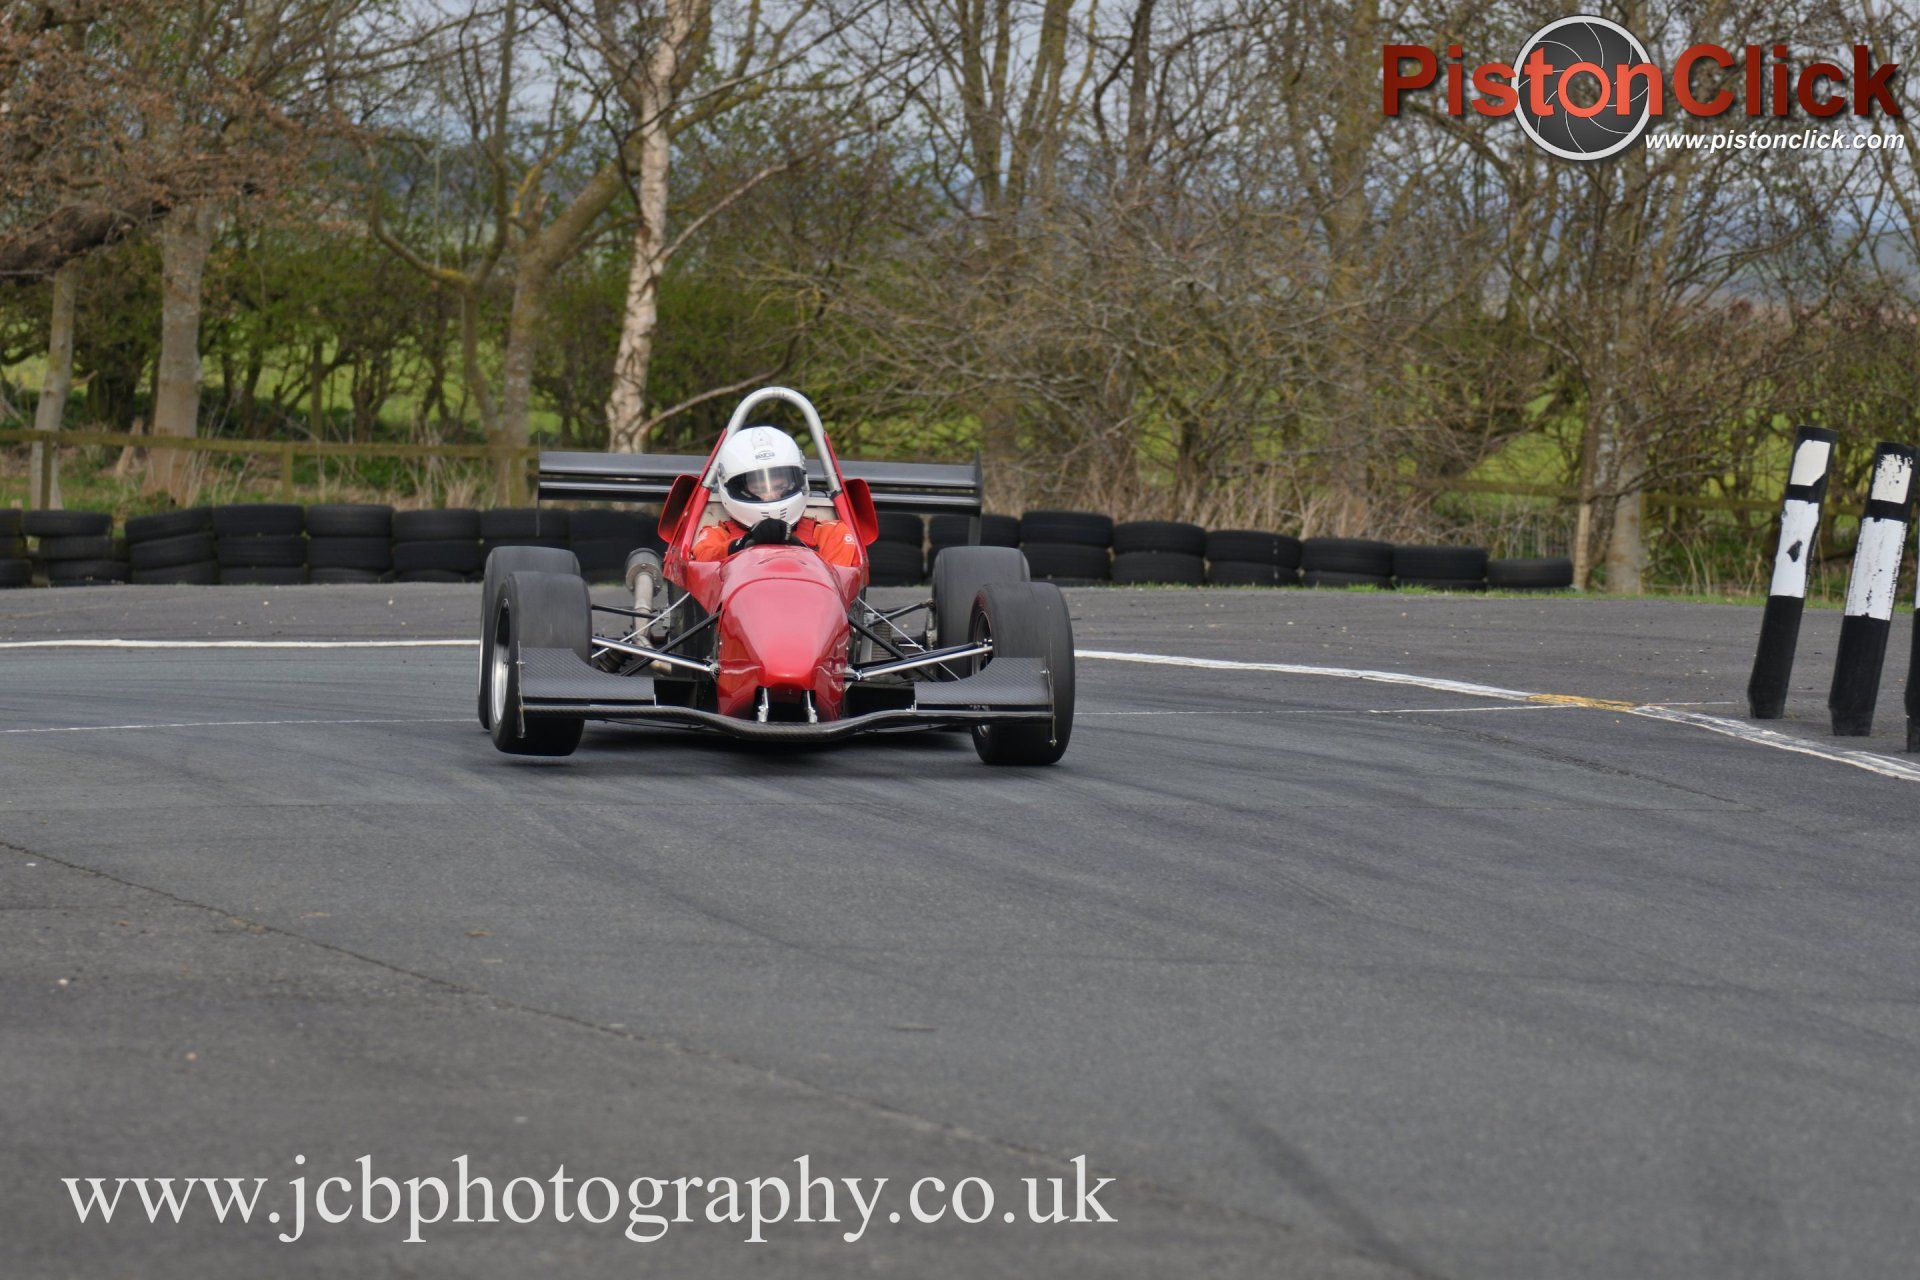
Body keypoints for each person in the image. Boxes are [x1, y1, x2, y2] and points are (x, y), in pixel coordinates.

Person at [690, 425, 862, 567]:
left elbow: (840, 585)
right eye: (759, 488)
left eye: (780, 487)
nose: (771, 495)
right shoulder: (717, 536)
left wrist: (797, 547)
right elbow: (701, 562)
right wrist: (744, 544)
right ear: (735, 488)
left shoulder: (831, 533)